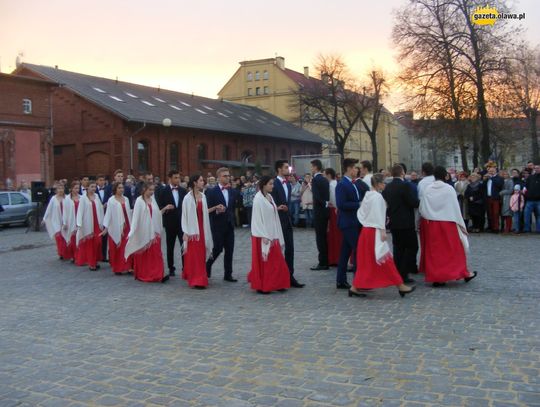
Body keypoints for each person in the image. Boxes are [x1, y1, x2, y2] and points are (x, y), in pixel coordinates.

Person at [349, 173, 416, 298]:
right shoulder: (378, 197)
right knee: (385, 259)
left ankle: (355, 287)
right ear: (379, 184)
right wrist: (382, 230)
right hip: (375, 231)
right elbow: (379, 215)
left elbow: (361, 213)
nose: (385, 185)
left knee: (366, 261)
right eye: (383, 182)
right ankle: (400, 285)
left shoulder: (368, 196)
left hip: (366, 231)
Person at [419, 166, 477, 286]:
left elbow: (422, 208)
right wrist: (461, 224)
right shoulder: (448, 189)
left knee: (435, 251)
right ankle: (462, 272)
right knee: (453, 249)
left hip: (432, 223)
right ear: (445, 175)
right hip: (448, 223)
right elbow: (455, 208)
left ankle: (437, 277)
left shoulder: (428, 189)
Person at [248, 176, 291, 294]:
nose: (273, 186)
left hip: (272, 233)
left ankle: (278, 283)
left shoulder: (269, 196)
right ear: (264, 185)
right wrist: (263, 235)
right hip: (263, 235)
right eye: (270, 184)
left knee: (277, 260)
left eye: (273, 184)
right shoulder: (258, 198)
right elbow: (256, 218)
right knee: (266, 262)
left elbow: (268, 211)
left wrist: (277, 208)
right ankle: (263, 285)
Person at [125, 182, 172, 283]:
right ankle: (144, 274)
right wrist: (132, 232)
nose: (152, 192)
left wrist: (164, 209)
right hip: (144, 232)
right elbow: (136, 217)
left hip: (154, 232)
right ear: (144, 190)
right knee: (145, 255)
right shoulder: (139, 201)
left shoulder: (153, 200)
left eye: (153, 190)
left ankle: (158, 274)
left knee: (156, 254)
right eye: (150, 190)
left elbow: (157, 214)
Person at [382, 164, 420, 284]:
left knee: (398, 249)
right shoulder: (405, 186)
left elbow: (385, 202)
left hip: (394, 222)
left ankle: (398, 272)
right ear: (402, 173)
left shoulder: (387, 187)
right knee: (412, 247)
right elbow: (413, 202)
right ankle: (404, 273)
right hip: (406, 222)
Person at [271, 160, 305, 288]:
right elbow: (269, 201)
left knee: (290, 249)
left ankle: (290, 276)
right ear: (279, 169)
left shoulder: (289, 185)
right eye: (286, 167)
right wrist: (277, 207)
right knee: (277, 250)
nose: (288, 170)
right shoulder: (273, 183)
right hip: (276, 220)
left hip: (287, 220)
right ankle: (277, 277)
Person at [335, 158, 364, 289]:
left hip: (353, 221)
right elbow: (341, 204)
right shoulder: (342, 184)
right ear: (348, 169)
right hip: (348, 223)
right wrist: (358, 204)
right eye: (354, 168)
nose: (356, 170)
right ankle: (359, 281)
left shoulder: (352, 183)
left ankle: (341, 280)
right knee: (358, 250)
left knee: (345, 252)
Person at [181, 174, 214, 289]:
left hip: (202, 229)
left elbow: (204, 212)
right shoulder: (187, 198)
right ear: (195, 182)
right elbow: (184, 215)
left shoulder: (203, 197)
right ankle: (195, 279)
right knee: (193, 255)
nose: (203, 182)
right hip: (192, 231)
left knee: (201, 255)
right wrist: (185, 231)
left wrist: (215, 208)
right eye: (200, 180)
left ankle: (201, 278)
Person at [205, 167, 238, 282]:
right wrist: (216, 210)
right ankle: (207, 266)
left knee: (230, 250)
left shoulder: (232, 191)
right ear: (218, 178)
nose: (227, 178)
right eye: (225, 176)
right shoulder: (211, 191)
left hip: (229, 225)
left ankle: (228, 274)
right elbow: (207, 209)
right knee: (217, 249)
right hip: (217, 225)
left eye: (228, 176)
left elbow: (232, 208)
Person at [158, 170, 187, 277]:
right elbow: (159, 207)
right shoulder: (163, 191)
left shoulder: (183, 191)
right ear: (169, 179)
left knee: (184, 245)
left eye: (179, 177)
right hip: (169, 223)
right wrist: (165, 208)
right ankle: (171, 268)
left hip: (181, 223)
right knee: (170, 246)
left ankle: (185, 267)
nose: (178, 180)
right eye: (175, 177)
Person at [101, 182, 133, 275]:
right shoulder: (111, 200)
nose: (121, 189)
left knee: (127, 246)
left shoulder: (126, 199)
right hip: (116, 226)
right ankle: (118, 268)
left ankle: (128, 266)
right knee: (119, 247)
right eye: (119, 188)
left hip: (127, 225)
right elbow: (109, 214)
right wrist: (106, 228)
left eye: (122, 188)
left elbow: (129, 212)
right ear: (115, 189)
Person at [75, 180, 104, 271]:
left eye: (95, 187)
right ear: (87, 188)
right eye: (91, 187)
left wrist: (103, 222)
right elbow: (80, 212)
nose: (93, 189)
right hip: (88, 224)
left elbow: (100, 209)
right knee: (90, 244)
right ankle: (92, 263)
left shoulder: (96, 197)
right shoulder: (83, 198)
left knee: (98, 243)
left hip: (97, 223)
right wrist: (79, 224)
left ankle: (95, 260)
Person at [310, 159, 330, 271]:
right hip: (325, 211)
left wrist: (323, 203)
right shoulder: (324, 179)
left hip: (319, 212)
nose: (311, 169)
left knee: (320, 238)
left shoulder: (316, 180)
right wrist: (326, 204)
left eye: (312, 167)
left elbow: (317, 196)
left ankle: (322, 262)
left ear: (316, 167)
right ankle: (325, 260)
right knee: (324, 237)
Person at [42, 182, 69, 260]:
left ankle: (66, 253)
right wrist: (44, 218)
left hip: (65, 221)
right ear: (56, 190)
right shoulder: (53, 199)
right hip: (56, 221)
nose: (61, 190)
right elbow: (49, 209)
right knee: (59, 238)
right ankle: (61, 253)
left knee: (65, 237)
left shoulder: (67, 198)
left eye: (62, 188)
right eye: (59, 189)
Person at [325, 168, 342, 267]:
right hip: (335, 210)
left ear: (329, 175)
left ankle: (334, 257)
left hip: (334, 211)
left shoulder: (332, 185)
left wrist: (330, 204)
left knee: (334, 235)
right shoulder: (336, 183)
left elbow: (334, 200)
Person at [483, 165, 504, 233]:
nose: (490, 172)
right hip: (488, 198)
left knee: (495, 213)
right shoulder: (488, 179)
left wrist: (491, 178)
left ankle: (496, 228)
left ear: (495, 171)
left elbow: (499, 185)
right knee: (490, 213)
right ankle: (491, 227)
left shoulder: (499, 178)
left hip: (495, 198)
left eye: (492, 171)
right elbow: (483, 186)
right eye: (489, 171)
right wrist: (485, 179)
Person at [62, 181, 80, 261]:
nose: (77, 190)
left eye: (78, 188)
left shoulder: (82, 197)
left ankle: (79, 256)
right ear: (71, 189)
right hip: (71, 220)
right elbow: (65, 211)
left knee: (79, 238)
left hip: (79, 220)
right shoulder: (67, 199)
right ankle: (73, 255)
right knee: (72, 238)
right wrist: (65, 223)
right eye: (75, 188)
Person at [523, 163, 540, 233]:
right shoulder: (530, 177)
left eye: (538, 168)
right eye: (535, 168)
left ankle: (538, 229)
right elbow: (526, 187)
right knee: (526, 215)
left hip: (539, 200)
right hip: (529, 200)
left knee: (539, 216)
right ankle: (527, 229)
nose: (536, 169)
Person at [95, 174, 109, 262]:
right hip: (97, 216)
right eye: (100, 180)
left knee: (105, 236)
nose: (101, 182)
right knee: (97, 236)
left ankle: (104, 256)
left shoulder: (108, 189)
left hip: (106, 215)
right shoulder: (94, 190)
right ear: (97, 181)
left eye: (103, 180)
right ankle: (97, 255)